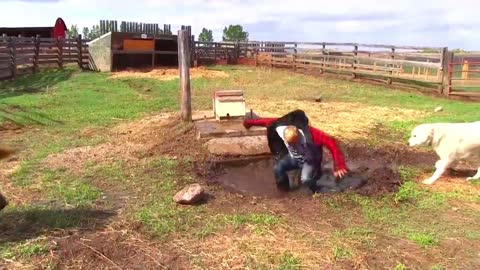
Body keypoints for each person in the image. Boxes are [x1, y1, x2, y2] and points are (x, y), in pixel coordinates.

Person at [243, 110, 348, 191]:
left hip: (309, 160)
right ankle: (284, 191)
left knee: (305, 180)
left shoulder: (312, 134)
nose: (292, 145)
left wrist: (339, 165)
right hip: (294, 158)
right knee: (278, 168)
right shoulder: (280, 128)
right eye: (289, 143)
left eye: (295, 142)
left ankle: (316, 191)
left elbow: (331, 143)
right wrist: (249, 123)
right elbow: (266, 121)